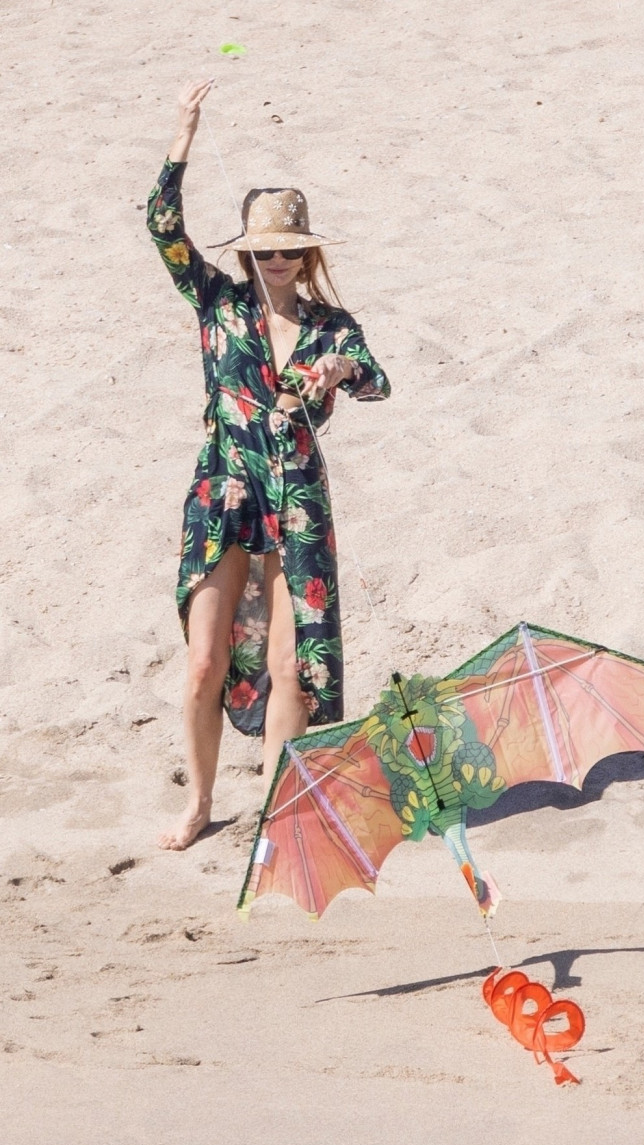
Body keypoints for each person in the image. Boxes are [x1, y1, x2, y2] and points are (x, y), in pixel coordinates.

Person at [148, 79, 390, 849]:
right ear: (248, 253)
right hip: (222, 496)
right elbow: (162, 228)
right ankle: (199, 804)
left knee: (291, 669)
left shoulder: (332, 328)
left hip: (297, 506)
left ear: (307, 253)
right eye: (265, 251)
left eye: (290, 250)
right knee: (203, 664)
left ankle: (277, 810)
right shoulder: (219, 304)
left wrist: (339, 375)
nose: (278, 260)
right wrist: (182, 138)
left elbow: (378, 380)